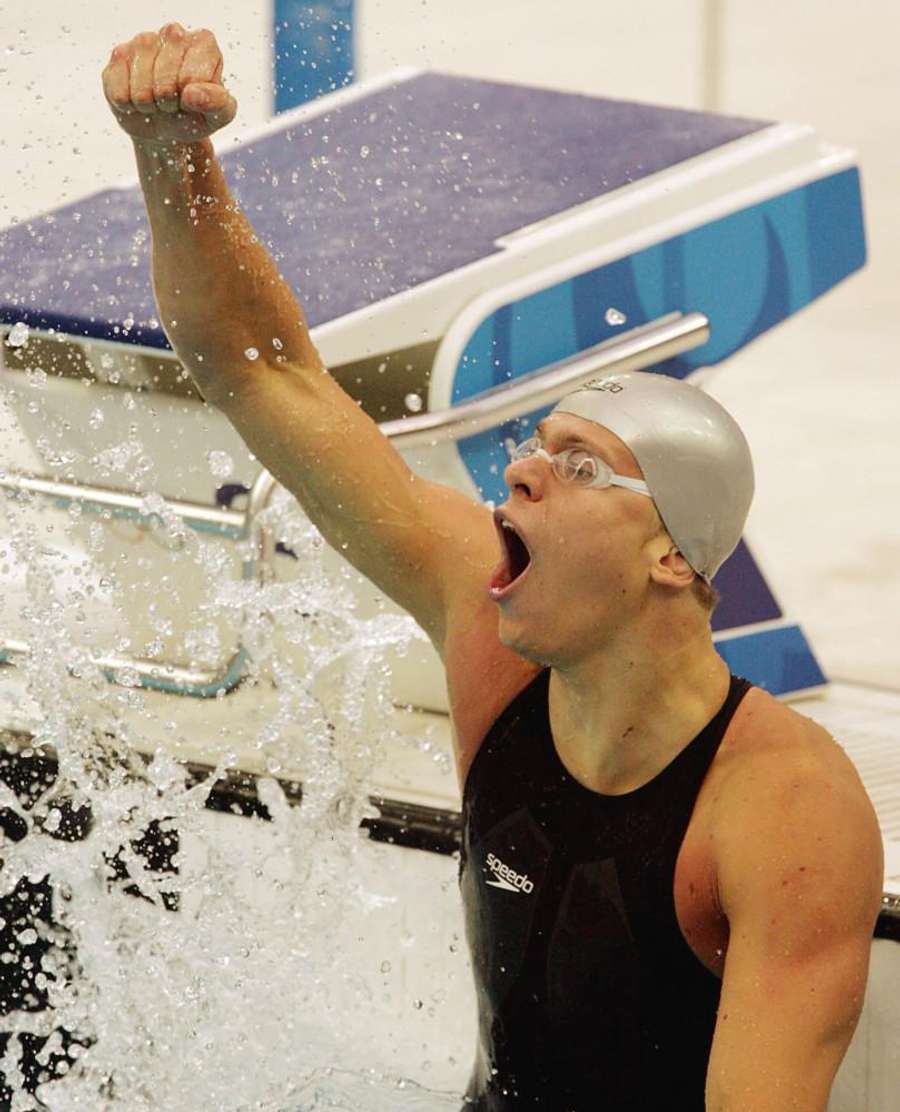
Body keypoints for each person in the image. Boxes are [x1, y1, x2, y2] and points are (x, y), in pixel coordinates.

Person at [102, 24, 884, 1110]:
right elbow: (266, 374)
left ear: (672, 554)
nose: (522, 467)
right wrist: (171, 158)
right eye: (535, 444)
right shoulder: (489, 630)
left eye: (579, 464)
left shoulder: (785, 808)